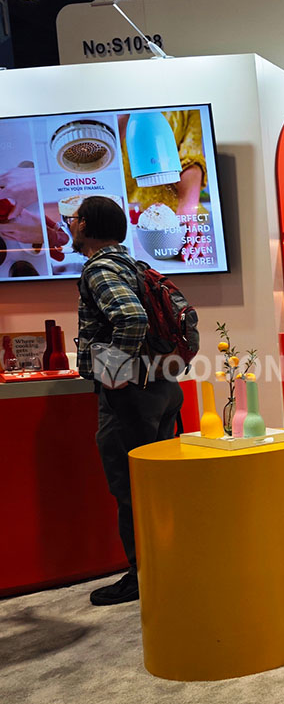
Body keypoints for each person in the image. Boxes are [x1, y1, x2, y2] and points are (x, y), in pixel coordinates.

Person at [74, 196, 184, 606]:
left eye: (74, 219)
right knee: (156, 486)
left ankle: (143, 576)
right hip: (163, 386)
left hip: (132, 395)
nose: (71, 225)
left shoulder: (100, 268)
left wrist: (113, 372)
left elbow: (131, 317)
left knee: (130, 489)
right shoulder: (135, 265)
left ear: (86, 225)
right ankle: (166, 566)